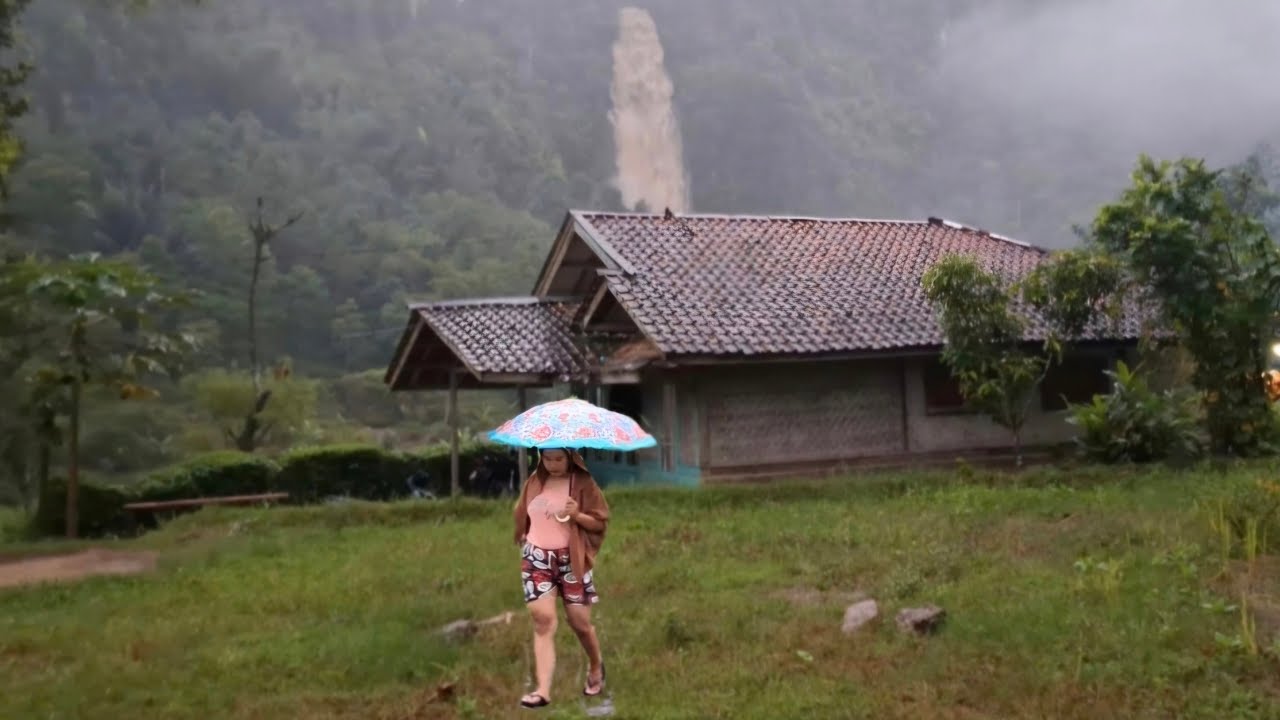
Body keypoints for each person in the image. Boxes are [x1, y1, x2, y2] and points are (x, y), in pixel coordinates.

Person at [512, 447, 611, 709]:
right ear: (541, 458)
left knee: (579, 623)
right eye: (548, 458)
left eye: (559, 459)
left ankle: (595, 665)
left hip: (571, 561)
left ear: (569, 458)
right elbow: (522, 512)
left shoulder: (583, 483)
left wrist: (577, 515)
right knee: (543, 621)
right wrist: (523, 533)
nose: (553, 464)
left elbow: (600, 522)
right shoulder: (534, 481)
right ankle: (543, 691)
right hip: (537, 559)